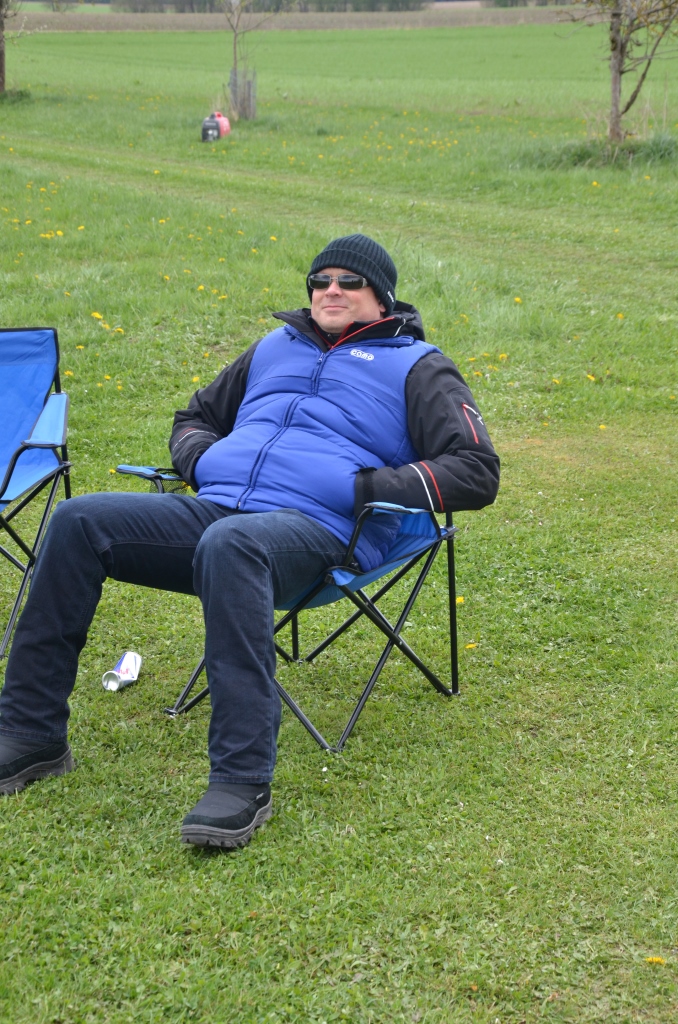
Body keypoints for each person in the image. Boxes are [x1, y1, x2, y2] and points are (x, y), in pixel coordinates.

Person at [0, 234, 499, 848]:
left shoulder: (418, 365)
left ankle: (241, 780)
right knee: (79, 519)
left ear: (382, 298)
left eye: (349, 281)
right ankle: (30, 734)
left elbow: (476, 470)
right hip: (220, 509)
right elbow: (195, 418)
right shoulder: (273, 347)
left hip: (323, 531)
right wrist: (202, 462)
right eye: (320, 281)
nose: (332, 291)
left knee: (232, 544)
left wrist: (367, 487)